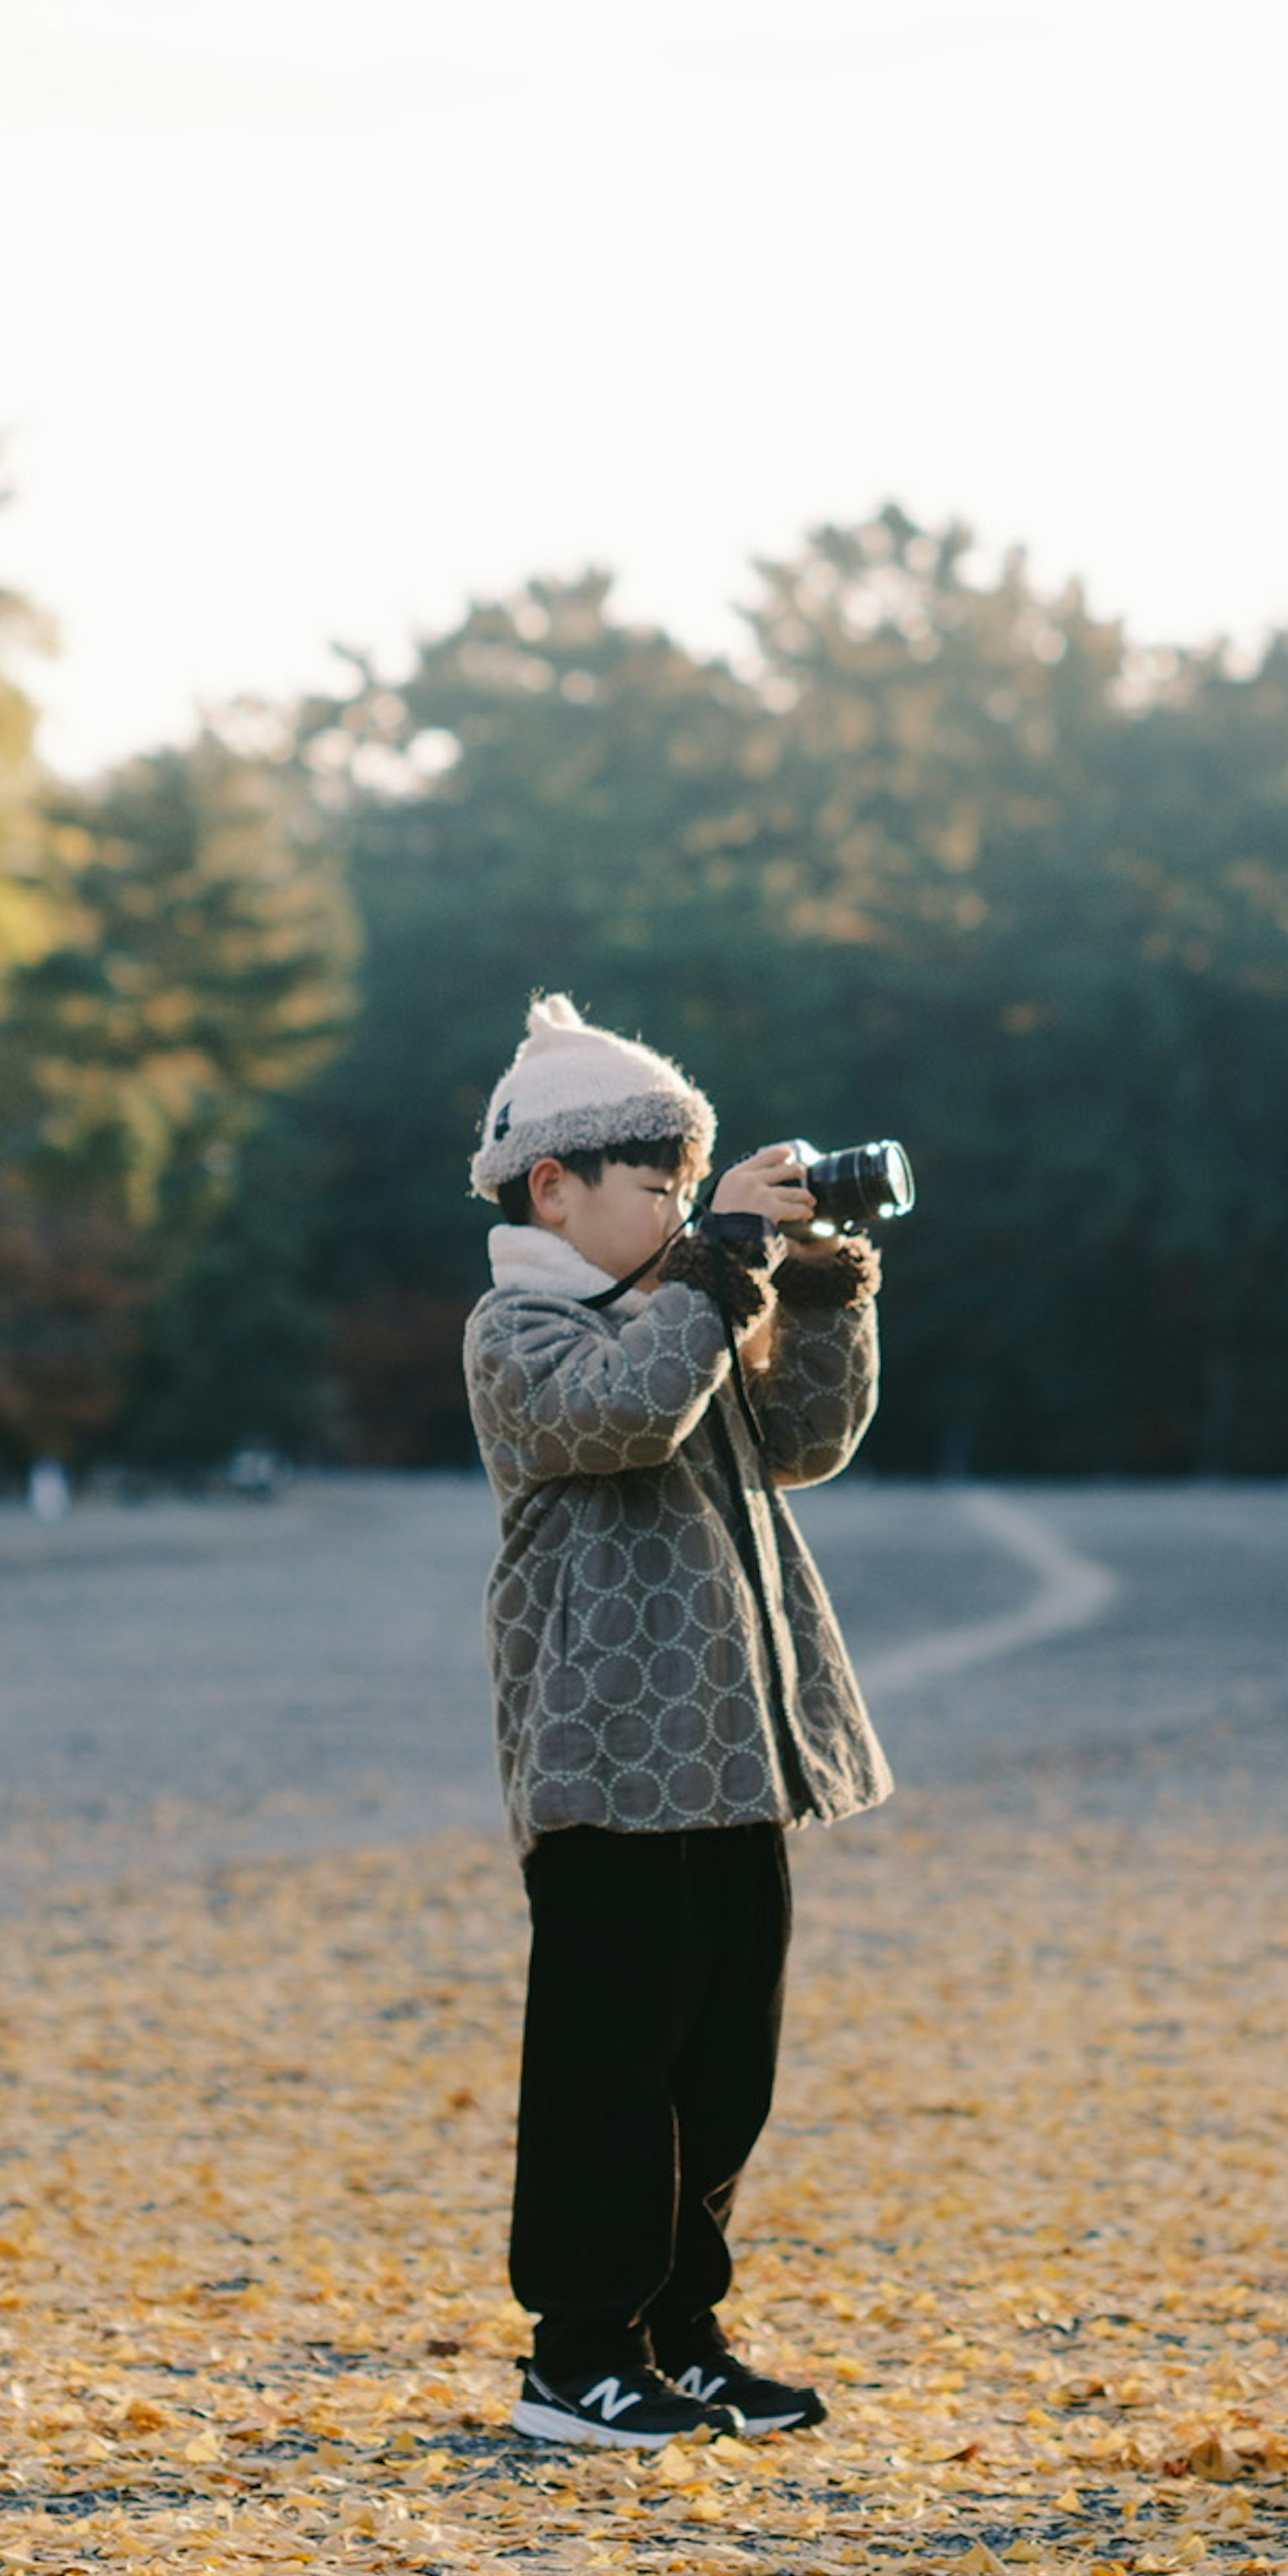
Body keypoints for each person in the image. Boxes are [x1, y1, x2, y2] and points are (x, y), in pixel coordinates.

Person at [462, 991, 890, 2451]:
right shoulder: (518, 1327)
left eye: (684, 1187)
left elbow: (805, 1445)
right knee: (607, 2071)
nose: (676, 1208)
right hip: (606, 1756)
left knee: (725, 2065)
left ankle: (677, 2331)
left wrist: (819, 1294)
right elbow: (620, 1418)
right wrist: (716, 1268)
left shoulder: (690, 1307)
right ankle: (574, 2350)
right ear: (553, 1187)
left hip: (732, 1754)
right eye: (655, 1186)